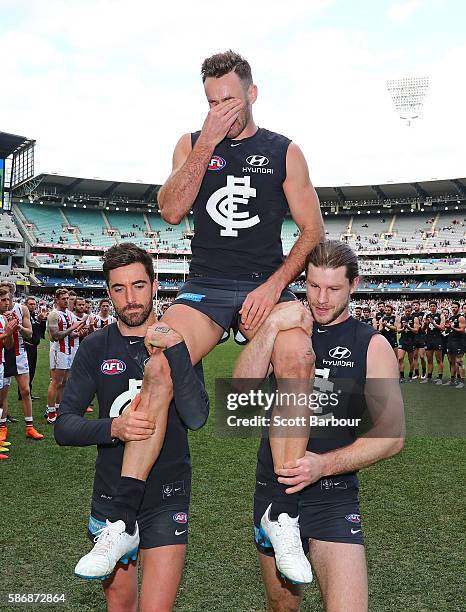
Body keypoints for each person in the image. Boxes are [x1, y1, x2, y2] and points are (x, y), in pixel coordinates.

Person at [75, 50, 324, 584]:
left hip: (265, 285)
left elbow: (312, 230)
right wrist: (208, 142)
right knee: (159, 364)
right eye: (210, 102)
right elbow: (169, 209)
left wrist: (276, 285)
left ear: (252, 94)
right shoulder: (193, 143)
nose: (220, 110)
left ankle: (280, 512)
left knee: (299, 353)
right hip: (206, 287)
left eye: (228, 100)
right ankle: (122, 518)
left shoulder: (285, 151)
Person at [234, 241, 405, 612]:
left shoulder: (372, 345)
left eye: (333, 288)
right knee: (282, 606)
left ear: (354, 285)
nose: (322, 298)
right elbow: (241, 393)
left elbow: (391, 437)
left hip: (333, 494)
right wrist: (272, 326)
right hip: (274, 492)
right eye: (313, 286)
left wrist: (323, 465)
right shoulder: (285, 331)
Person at [55, 243, 206, 611]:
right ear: (108, 293)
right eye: (119, 289)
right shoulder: (95, 347)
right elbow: (65, 426)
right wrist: (115, 428)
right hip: (110, 493)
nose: (130, 298)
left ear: (155, 285)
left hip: (166, 494)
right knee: (119, 605)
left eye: (139, 285)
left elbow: (196, 417)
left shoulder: (177, 341)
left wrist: (177, 353)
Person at [0, 282, 44, 440]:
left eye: (10, 294)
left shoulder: (21, 309)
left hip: (19, 354)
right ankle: (2, 427)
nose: (7, 298)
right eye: (4, 296)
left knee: (25, 390)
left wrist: (17, 327)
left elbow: (30, 334)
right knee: (2, 395)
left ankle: (30, 427)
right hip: (3, 356)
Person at [45, 289, 85, 423]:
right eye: (63, 298)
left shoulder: (68, 313)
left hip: (68, 351)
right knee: (55, 382)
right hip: (58, 351)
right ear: (57, 300)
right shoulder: (53, 315)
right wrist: (72, 328)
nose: (67, 301)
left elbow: (69, 334)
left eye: (68, 298)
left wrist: (77, 332)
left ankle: (59, 409)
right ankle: (50, 413)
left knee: (64, 382)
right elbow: (56, 336)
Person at [0, 287, 20, 446]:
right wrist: (7, 331)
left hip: (1, 363)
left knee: (1, 401)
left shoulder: (3, 318)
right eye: (3, 300)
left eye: (8, 300)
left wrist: (11, 330)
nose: (7, 303)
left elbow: (8, 346)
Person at [19, 297, 47, 401]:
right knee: (26, 371)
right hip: (27, 346)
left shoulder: (34, 316)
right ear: (25, 305)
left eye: (34, 304)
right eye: (30, 304)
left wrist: (42, 320)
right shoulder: (23, 316)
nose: (32, 306)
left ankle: (28, 392)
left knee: (32, 371)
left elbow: (40, 333)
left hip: (33, 347)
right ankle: (23, 393)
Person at [420, 301, 445, 385]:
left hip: (437, 339)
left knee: (439, 360)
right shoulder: (427, 316)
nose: (432, 307)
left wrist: (433, 323)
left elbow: (442, 328)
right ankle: (429, 377)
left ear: (436, 307)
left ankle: (440, 378)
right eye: (431, 306)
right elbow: (423, 330)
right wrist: (426, 324)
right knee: (429, 360)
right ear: (429, 307)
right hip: (428, 339)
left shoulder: (440, 315)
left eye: (434, 306)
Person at [397, 303, 420, 383]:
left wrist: (408, 327)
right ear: (404, 311)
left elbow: (416, 330)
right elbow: (398, 330)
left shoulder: (415, 319)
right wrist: (403, 328)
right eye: (406, 311)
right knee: (400, 358)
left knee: (411, 360)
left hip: (412, 341)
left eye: (409, 311)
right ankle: (402, 376)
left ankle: (410, 375)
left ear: (411, 311)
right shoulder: (401, 318)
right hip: (403, 340)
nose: (407, 312)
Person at [444, 301, 465, 388]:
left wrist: (451, 327)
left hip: (459, 342)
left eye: (455, 307)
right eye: (452, 307)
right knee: (451, 362)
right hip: (450, 341)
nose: (453, 309)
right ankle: (453, 380)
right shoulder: (451, 318)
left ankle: (462, 382)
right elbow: (449, 330)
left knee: (459, 361)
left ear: (459, 308)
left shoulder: (461, 318)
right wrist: (447, 329)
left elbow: (462, 330)